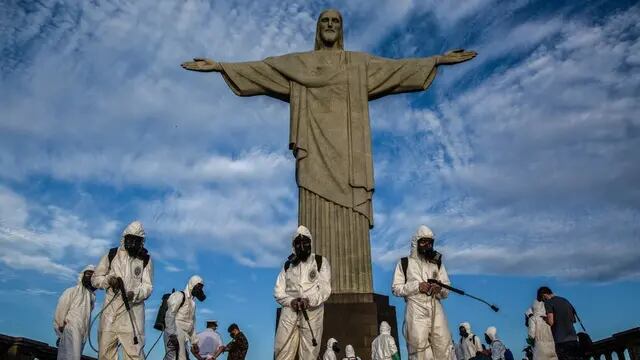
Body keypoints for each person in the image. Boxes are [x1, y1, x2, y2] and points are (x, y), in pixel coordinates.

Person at [92, 220, 153, 360]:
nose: (133, 243)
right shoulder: (112, 255)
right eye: (130, 239)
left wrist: (135, 294)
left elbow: (148, 287)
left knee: (134, 354)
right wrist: (109, 280)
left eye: (137, 240)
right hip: (110, 312)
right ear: (124, 238)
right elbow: (95, 279)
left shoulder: (145, 260)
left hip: (133, 313)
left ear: (141, 242)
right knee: (105, 353)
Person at [392, 225, 453, 360]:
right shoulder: (404, 263)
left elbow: (446, 288)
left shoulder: (436, 263)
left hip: (435, 305)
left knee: (444, 345)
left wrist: (439, 289)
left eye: (430, 242)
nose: (427, 245)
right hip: (415, 307)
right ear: (416, 242)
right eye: (423, 241)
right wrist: (417, 287)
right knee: (419, 348)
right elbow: (396, 288)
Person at [273, 225, 332, 360]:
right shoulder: (287, 265)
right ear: (293, 246)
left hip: (312, 313)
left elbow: (325, 289)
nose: (302, 246)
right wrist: (291, 301)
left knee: (309, 353)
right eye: (298, 243)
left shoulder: (320, 262)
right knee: (282, 350)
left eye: (305, 242)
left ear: (310, 242)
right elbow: (278, 291)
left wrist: (309, 300)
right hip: (289, 312)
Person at [54, 265, 96, 360]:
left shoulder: (91, 297)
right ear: (83, 275)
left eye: (93, 274)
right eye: (88, 273)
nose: (90, 276)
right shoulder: (71, 291)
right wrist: (60, 324)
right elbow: (61, 308)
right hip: (70, 328)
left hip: (83, 331)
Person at [164, 275, 207, 360]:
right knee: (175, 358)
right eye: (198, 286)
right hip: (175, 332)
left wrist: (194, 342)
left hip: (185, 336)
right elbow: (170, 314)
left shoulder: (193, 303)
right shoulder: (179, 295)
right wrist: (171, 333)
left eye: (201, 287)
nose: (200, 289)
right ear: (192, 284)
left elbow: (191, 323)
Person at [537, 287, 581, 360]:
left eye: (542, 300)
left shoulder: (548, 302)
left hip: (561, 341)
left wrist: (545, 319)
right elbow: (573, 320)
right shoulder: (565, 300)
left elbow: (551, 322)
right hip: (574, 339)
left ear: (544, 295)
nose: (543, 302)